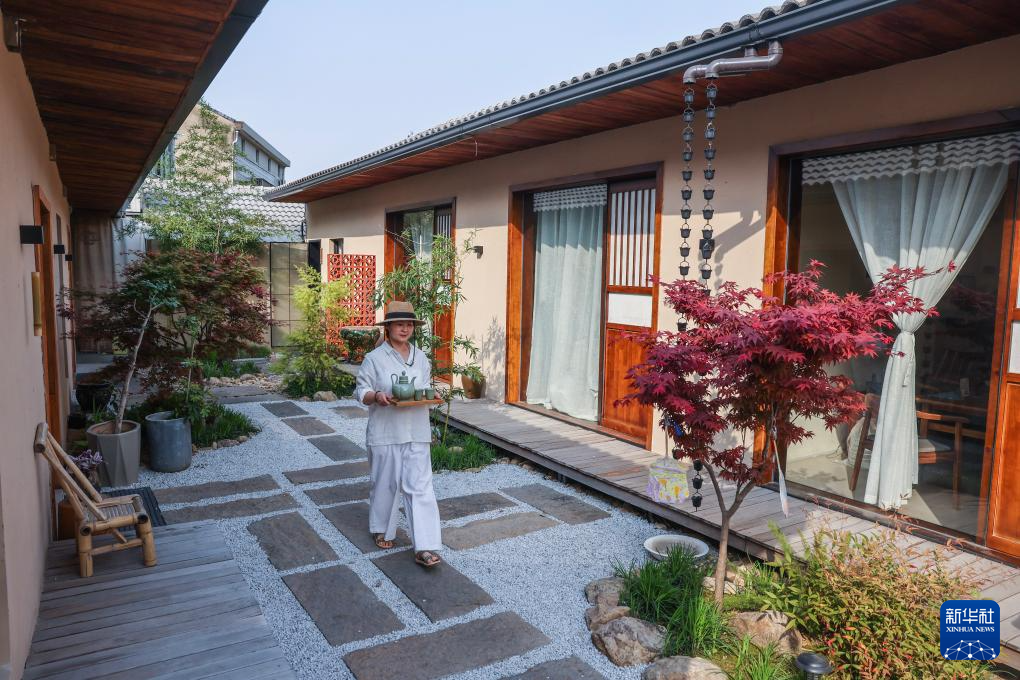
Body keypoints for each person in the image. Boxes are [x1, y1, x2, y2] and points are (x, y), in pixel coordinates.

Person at [354, 301, 442, 568]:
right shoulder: (374, 358)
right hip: (385, 432)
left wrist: (433, 396)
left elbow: (424, 388)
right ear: (389, 327)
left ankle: (425, 546)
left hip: (417, 430)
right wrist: (377, 396)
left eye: (409, 325)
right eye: (399, 324)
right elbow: (361, 391)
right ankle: (381, 529)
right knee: (385, 484)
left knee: (421, 488)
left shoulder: (421, 357)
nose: (405, 329)